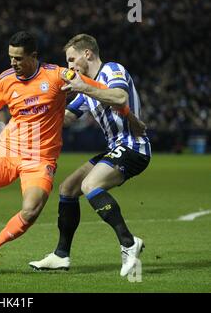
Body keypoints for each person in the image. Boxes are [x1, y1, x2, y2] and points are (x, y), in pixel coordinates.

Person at [0, 31, 108, 276]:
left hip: (40, 160)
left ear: (33, 56)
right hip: (7, 152)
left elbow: (99, 88)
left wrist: (123, 106)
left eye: (19, 58)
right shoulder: (5, 79)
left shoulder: (56, 76)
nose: (13, 63)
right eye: (11, 57)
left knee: (31, 210)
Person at [29, 34, 151, 277]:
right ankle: (61, 255)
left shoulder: (111, 70)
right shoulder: (86, 87)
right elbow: (67, 117)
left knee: (90, 184)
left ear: (88, 54)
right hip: (115, 147)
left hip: (133, 147)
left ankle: (128, 243)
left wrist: (84, 87)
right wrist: (38, 109)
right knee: (68, 188)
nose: (70, 66)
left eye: (72, 59)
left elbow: (120, 97)